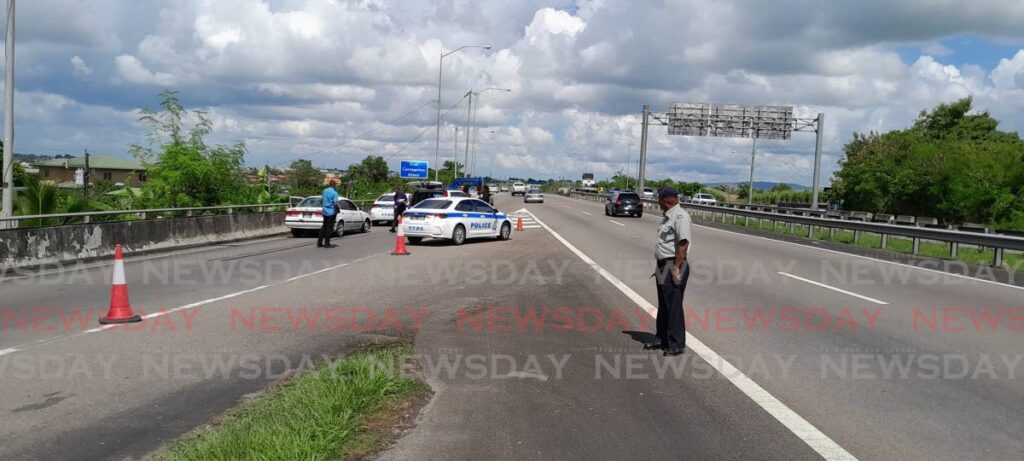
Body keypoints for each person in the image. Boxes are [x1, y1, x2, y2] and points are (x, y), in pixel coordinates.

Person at [646, 186, 691, 356]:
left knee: (674, 306)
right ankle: (662, 338)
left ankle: (676, 343)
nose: (658, 202)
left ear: (666, 200)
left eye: (659, 199)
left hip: (674, 264)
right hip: (663, 264)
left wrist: (677, 267)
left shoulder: (680, 216)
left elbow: (683, 244)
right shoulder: (667, 217)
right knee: (664, 305)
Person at [318, 180, 340, 248]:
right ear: (334, 185)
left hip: (325, 211)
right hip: (331, 212)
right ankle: (327, 243)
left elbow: (321, 200)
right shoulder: (335, 193)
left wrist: (323, 207)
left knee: (324, 227)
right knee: (329, 228)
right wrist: (338, 209)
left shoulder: (324, 191)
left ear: (329, 185)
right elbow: (335, 203)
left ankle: (319, 243)